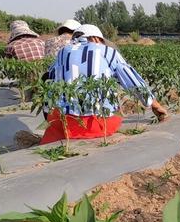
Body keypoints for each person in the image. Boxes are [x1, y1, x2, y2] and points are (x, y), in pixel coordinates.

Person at [40, 24, 168, 144]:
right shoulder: (108, 51)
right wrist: (154, 105)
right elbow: (131, 80)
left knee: (56, 118)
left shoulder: (63, 52)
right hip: (100, 124)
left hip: (65, 122)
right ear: (96, 38)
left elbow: (47, 78)